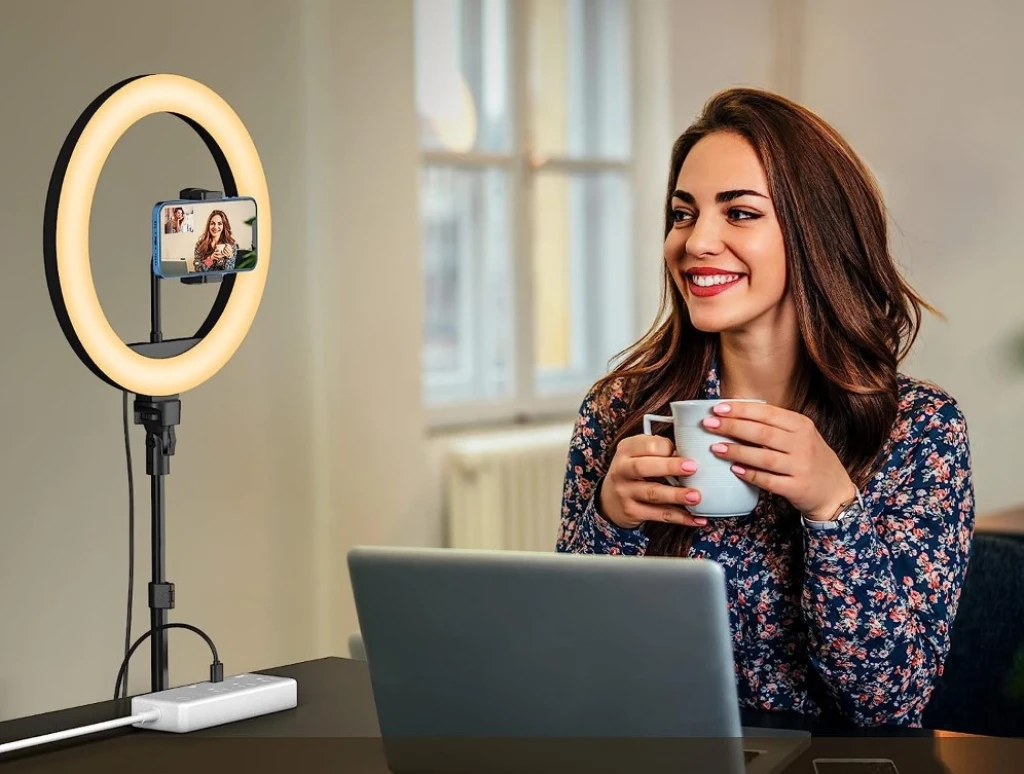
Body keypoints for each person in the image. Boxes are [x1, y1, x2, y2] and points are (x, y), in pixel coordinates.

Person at [556, 87, 975, 729]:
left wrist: (835, 509)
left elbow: (889, 701)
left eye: (740, 214)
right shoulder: (620, 408)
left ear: (816, 234)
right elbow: (573, 659)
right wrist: (608, 523)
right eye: (683, 213)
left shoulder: (919, 428)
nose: (697, 242)